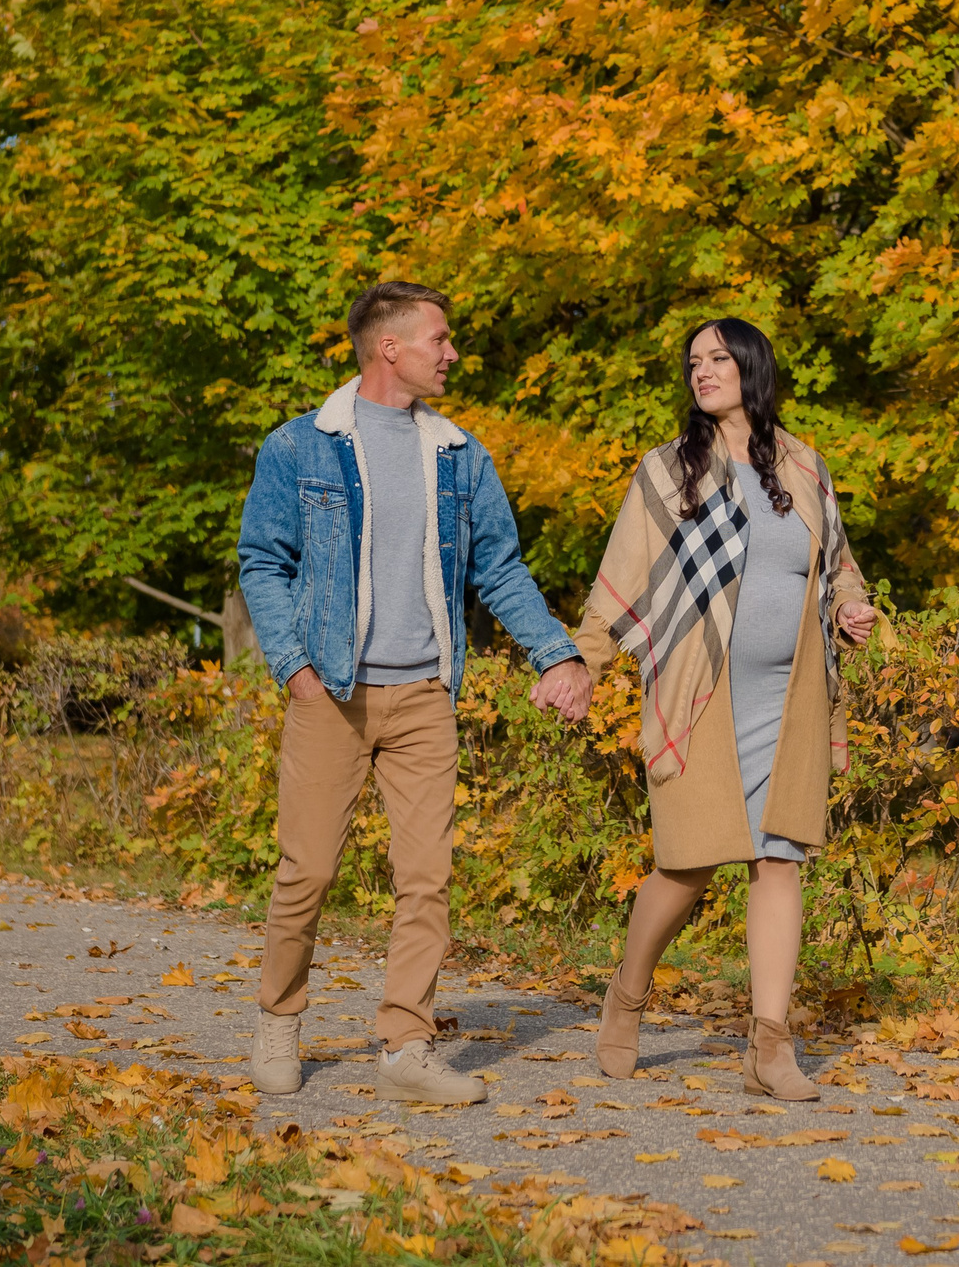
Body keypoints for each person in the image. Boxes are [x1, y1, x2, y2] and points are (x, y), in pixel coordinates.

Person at [236, 282, 593, 1104]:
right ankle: (279, 1015)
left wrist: (555, 654)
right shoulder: (300, 447)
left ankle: (406, 1044)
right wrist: (293, 664)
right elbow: (264, 559)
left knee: (425, 876)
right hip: (332, 690)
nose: (452, 352)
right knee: (307, 870)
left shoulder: (461, 456)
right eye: (441, 337)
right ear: (388, 347)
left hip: (426, 693)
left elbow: (498, 568)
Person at [553, 317, 877, 1099]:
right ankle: (627, 993)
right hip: (699, 691)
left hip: (790, 696)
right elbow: (618, 581)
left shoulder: (804, 465)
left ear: (752, 366)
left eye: (718, 358)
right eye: (693, 362)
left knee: (780, 858)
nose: (703, 370)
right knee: (687, 861)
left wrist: (852, 607)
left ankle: (771, 1046)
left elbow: (838, 569)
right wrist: (582, 664)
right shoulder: (668, 472)